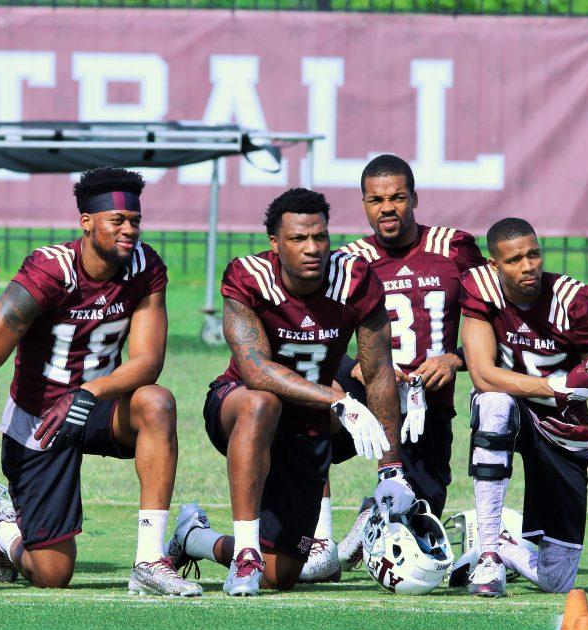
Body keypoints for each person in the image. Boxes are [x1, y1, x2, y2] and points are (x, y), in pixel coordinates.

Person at [0, 167, 201, 597]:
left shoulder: (145, 266)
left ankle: (149, 560)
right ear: (86, 222)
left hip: (97, 404)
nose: (129, 230)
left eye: (135, 220)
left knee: (157, 402)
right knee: (52, 574)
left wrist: (89, 392)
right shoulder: (48, 272)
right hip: (39, 417)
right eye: (117, 221)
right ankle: (4, 533)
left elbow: (149, 361)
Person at [167, 187, 410, 596]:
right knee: (263, 401)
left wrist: (391, 468)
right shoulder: (249, 276)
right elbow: (255, 370)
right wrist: (337, 400)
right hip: (239, 406)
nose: (312, 248)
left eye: (320, 237)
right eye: (298, 239)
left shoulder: (354, 280)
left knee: (282, 575)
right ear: (276, 244)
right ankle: (246, 552)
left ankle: (194, 537)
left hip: (307, 425)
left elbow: (380, 370)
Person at [304, 154, 486, 582]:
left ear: (414, 198)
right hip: (366, 398)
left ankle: (371, 520)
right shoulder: (347, 259)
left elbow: (494, 319)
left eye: (398, 197)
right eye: (377, 199)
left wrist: (456, 358)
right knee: (300, 426)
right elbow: (312, 333)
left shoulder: (453, 247)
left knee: (420, 518)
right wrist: (357, 369)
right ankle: (317, 538)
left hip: (426, 405)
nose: (388, 207)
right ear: (364, 205)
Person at [459, 217, 588, 596]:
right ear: (494, 265)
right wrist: (557, 386)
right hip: (515, 408)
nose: (528, 266)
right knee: (494, 402)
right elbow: (483, 375)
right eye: (515, 259)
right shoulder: (481, 289)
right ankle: (488, 556)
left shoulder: (573, 301)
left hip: (561, 424)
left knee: (557, 581)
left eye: (533, 254)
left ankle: (501, 539)